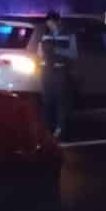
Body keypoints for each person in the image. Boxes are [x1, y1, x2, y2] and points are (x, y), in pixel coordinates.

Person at [37, 11, 77, 139]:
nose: (50, 25)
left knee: (60, 101)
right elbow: (39, 54)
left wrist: (56, 50)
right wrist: (43, 52)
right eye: (48, 23)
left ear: (58, 21)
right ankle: (47, 129)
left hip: (60, 71)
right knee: (47, 101)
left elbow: (73, 54)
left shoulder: (69, 35)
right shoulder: (45, 35)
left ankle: (60, 129)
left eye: (52, 22)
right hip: (46, 71)